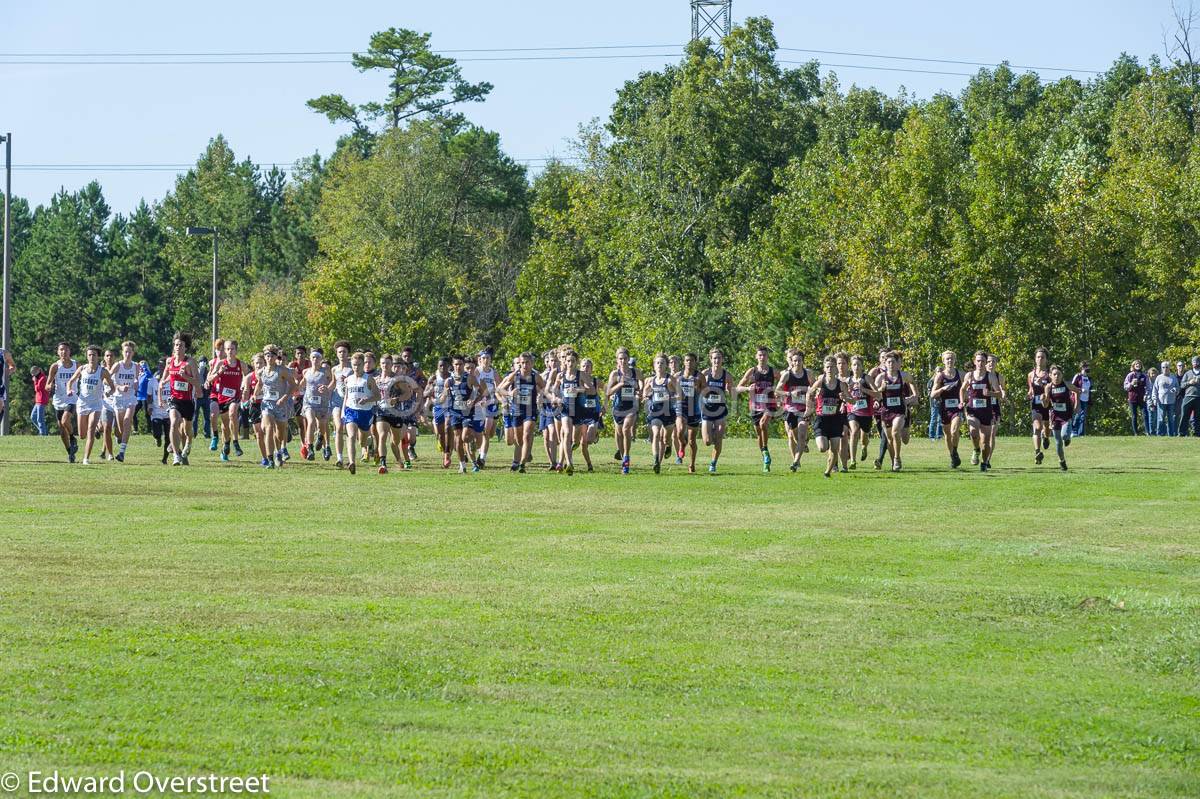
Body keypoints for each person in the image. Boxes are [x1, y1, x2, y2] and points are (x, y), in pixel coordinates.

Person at [64, 345, 115, 465]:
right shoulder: (82, 369)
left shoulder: (103, 372)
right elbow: (70, 381)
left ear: (98, 357)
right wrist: (69, 390)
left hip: (95, 404)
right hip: (82, 403)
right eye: (89, 355)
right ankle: (97, 428)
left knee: (90, 430)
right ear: (87, 356)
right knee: (82, 434)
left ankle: (86, 458)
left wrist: (108, 392)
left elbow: (112, 386)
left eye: (94, 355)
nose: (91, 357)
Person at [496, 353, 546, 473]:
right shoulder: (514, 376)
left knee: (527, 434)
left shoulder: (536, 376)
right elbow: (499, 389)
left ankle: (522, 464)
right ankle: (525, 453)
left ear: (531, 363)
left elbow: (546, 388)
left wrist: (542, 396)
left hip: (530, 410)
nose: (524, 365)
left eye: (527, 362)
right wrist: (509, 393)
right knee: (518, 440)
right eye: (522, 363)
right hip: (516, 410)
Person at [806, 355, 854, 477]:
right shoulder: (820, 382)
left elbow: (852, 401)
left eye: (832, 367)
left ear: (836, 369)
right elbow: (809, 393)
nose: (829, 369)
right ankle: (829, 460)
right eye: (827, 367)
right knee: (823, 447)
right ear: (824, 368)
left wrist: (846, 398)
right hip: (821, 419)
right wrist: (809, 407)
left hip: (835, 419)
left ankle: (827, 472)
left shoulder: (841, 385)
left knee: (834, 447)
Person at [874, 351, 918, 472]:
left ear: (897, 363)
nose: (891, 364)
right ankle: (894, 461)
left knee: (895, 432)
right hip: (886, 410)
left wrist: (915, 395)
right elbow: (875, 394)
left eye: (893, 361)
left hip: (899, 410)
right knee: (889, 439)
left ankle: (898, 458)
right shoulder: (881, 377)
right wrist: (880, 389)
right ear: (885, 363)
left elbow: (912, 382)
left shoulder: (903, 375)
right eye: (888, 362)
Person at [161, 332, 200, 466]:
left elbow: (197, 383)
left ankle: (188, 443)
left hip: (188, 401)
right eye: (176, 345)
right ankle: (176, 456)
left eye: (181, 345)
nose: (178, 347)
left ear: (185, 347)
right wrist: (162, 384)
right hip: (175, 399)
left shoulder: (190, 362)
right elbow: (165, 377)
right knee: (174, 422)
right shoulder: (169, 361)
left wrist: (186, 377)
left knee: (187, 430)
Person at [736, 346, 778, 472]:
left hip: (769, 404)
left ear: (767, 357)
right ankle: (765, 456)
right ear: (756, 357)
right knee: (759, 434)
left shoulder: (773, 371)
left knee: (763, 424)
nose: (762, 357)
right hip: (755, 406)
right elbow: (738, 387)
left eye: (764, 355)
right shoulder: (752, 371)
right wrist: (748, 389)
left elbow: (784, 381)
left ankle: (765, 452)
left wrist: (780, 393)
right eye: (760, 355)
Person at [440, 354, 483, 474]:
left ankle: (471, 439)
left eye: (460, 364)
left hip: (467, 413)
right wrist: (444, 394)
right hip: (454, 412)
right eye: (456, 364)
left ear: (463, 365)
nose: (458, 367)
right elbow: (442, 399)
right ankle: (462, 466)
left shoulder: (470, 378)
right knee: (458, 440)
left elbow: (481, 393)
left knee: (465, 437)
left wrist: (473, 401)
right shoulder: (449, 381)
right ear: (452, 366)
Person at [339, 351, 380, 476]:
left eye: (359, 365)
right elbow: (346, 396)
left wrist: (366, 400)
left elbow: (378, 396)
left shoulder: (369, 379)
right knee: (351, 436)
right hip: (351, 411)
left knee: (362, 441)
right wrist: (342, 411)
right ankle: (352, 462)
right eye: (354, 365)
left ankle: (369, 444)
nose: (356, 367)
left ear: (363, 365)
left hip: (366, 412)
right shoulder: (348, 380)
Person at [206, 339, 246, 462]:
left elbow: (248, 376)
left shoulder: (241, 364)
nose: (229, 351)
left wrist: (244, 387)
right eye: (227, 349)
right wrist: (219, 372)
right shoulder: (220, 364)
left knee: (233, 413)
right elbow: (210, 379)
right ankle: (226, 444)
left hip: (235, 396)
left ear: (236, 350)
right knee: (225, 426)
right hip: (222, 397)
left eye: (232, 349)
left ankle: (235, 442)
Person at [962, 351, 999, 472]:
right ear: (974, 362)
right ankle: (976, 449)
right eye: (978, 361)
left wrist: (990, 393)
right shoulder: (969, 376)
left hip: (986, 411)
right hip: (972, 410)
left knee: (985, 441)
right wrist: (962, 401)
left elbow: (999, 394)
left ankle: (984, 462)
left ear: (985, 362)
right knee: (973, 432)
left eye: (983, 361)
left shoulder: (990, 376)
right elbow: (962, 390)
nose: (980, 363)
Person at [642, 353, 678, 475]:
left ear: (666, 365)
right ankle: (656, 460)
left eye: (662, 363)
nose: (659, 365)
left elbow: (681, 394)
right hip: (655, 411)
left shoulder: (670, 379)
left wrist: (672, 395)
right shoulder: (650, 380)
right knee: (656, 434)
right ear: (654, 365)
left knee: (665, 438)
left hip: (668, 412)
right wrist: (646, 397)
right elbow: (645, 393)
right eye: (657, 363)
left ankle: (669, 446)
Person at [606, 347, 641, 475]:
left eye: (625, 358)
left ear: (628, 359)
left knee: (626, 430)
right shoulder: (615, 374)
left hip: (631, 407)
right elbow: (608, 392)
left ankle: (626, 458)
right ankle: (622, 455)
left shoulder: (636, 372)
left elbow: (640, 387)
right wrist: (620, 384)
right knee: (619, 433)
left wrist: (639, 392)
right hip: (618, 407)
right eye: (620, 359)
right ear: (617, 360)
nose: (623, 361)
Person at [776, 349, 811, 472]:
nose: (797, 363)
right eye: (795, 360)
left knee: (801, 435)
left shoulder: (808, 374)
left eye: (799, 360)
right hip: (790, 409)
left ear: (802, 361)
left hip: (804, 409)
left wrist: (809, 392)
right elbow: (777, 390)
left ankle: (796, 462)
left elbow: (815, 388)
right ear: (792, 361)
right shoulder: (787, 374)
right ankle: (801, 449)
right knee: (792, 435)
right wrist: (790, 393)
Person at [929, 350, 964, 468]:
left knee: (954, 431)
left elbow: (967, 389)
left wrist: (965, 399)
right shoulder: (940, 376)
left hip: (957, 408)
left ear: (955, 360)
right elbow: (932, 394)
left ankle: (954, 451)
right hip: (944, 409)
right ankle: (953, 456)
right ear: (943, 361)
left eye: (951, 358)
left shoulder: (961, 374)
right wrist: (943, 389)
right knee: (948, 435)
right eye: (947, 359)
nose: (950, 361)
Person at [700, 348, 732, 474]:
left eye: (719, 358)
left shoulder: (727, 375)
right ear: (710, 359)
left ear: (722, 359)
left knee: (719, 438)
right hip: (707, 409)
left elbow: (730, 390)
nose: (717, 360)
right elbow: (699, 389)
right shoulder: (705, 374)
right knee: (707, 442)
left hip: (720, 409)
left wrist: (732, 391)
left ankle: (713, 463)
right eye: (714, 358)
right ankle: (712, 433)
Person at [46, 342, 79, 462]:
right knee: (61, 429)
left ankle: (72, 437)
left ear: (70, 351)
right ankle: (70, 452)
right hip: (59, 399)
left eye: (65, 350)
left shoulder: (76, 365)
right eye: (61, 350)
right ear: (58, 352)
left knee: (65, 420)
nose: (63, 352)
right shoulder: (55, 366)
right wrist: (49, 386)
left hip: (71, 397)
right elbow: (47, 383)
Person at [109, 341, 141, 462]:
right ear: (122, 352)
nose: (127, 354)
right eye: (125, 351)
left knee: (128, 421)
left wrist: (137, 383)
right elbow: (108, 379)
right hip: (118, 398)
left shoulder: (136, 366)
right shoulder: (118, 365)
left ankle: (122, 452)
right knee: (121, 428)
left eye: (130, 352)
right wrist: (119, 387)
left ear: (133, 353)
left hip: (130, 398)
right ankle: (119, 437)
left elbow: (137, 379)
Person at [1044, 365, 1079, 471]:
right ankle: (1062, 461)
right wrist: (1043, 400)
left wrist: (1076, 404)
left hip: (1066, 416)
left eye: (1059, 374)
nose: (1057, 376)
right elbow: (1046, 405)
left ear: (1062, 375)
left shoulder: (1067, 384)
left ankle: (1067, 438)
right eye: (1054, 374)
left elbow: (1077, 391)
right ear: (1050, 375)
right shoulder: (1048, 387)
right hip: (1055, 416)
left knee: (1064, 436)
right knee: (1058, 442)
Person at [301, 349, 333, 462]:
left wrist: (327, 388)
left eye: (318, 357)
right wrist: (296, 388)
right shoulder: (306, 371)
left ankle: (320, 436)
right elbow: (302, 383)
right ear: (310, 359)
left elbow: (333, 383)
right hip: (308, 402)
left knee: (322, 424)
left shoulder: (326, 371)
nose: (315, 359)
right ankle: (310, 448)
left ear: (321, 359)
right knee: (310, 421)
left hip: (322, 402)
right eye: (313, 357)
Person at [674, 353, 703, 474]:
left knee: (692, 440)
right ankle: (681, 443)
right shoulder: (677, 376)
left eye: (691, 360)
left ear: (695, 362)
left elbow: (706, 390)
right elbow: (671, 389)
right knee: (680, 430)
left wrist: (698, 388)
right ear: (684, 362)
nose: (689, 363)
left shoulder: (699, 376)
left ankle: (692, 464)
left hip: (694, 409)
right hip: (681, 406)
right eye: (687, 360)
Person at [1027, 347, 1053, 464]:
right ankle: (1037, 452)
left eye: (1042, 357)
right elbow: (1030, 389)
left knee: (1046, 428)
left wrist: (1046, 393)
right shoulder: (1031, 375)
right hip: (1035, 405)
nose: (1040, 359)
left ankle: (1046, 437)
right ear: (1035, 359)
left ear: (1046, 359)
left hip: (1047, 405)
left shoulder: (1050, 375)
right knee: (1037, 428)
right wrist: (1029, 393)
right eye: (1038, 357)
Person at [1124, 359, 1149, 436]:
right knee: (1134, 416)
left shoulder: (1144, 375)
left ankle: (1148, 432)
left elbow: (1148, 387)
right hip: (1132, 398)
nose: (1138, 366)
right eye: (1136, 364)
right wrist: (1131, 383)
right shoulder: (1130, 375)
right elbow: (1125, 387)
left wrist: (1146, 395)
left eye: (1139, 364)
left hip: (1142, 398)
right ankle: (1136, 433)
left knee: (1145, 414)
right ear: (1133, 366)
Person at [1155, 361, 1179, 437]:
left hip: (1171, 401)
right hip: (1161, 401)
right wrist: (1154, 399)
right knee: (1160, 419)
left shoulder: (1173, 377)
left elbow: (1178, 388)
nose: (1165, 369)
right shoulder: (1158, 377)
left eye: (1167, 367)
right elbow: (1155, 389)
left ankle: (1171, 435)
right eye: (1163, 367)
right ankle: (1160, 434)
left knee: (1171, 419)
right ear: (1161, 368)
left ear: (1169, 368)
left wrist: (1175, 389)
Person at [1070, 361, 1091, 437]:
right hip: (1078, 398)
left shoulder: (1088, 378)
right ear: (1082, 367)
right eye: (1086, 367)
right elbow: (1072, 386)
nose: (1088, 368)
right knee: (1078, 415)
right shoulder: (1078, 376)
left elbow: (1089, 387)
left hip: (1086, 399)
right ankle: (1074, 431)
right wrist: (1081, 390)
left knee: (1083, 416)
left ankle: (1081, 433)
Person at [1180, 357, 1200, 437]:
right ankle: (1182, 433)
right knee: (1184, 416)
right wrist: (1189, 382)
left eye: (1197, 361)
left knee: (1198, 418)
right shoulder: (1187, 373)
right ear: (1192, 363)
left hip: (1198, 398)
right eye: (1194, 362)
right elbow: (1182, 385)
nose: (1195, 363)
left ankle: (1197, 434)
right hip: (1188, 397)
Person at [30, 365, 49, 435]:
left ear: (37, 371)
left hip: (42, 400)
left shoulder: (43, 378)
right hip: (38, 400)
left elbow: (37, 389)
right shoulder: (38, 378)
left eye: (33, 373)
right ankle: (43, 431)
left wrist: (35, 381)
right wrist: (36, 380)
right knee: (33, 417)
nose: (33, 375)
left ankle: (43, 434)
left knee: (40, 419)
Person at [134, 360, 152, 434]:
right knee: (133, 413)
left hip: (145, 397)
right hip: (138, 397)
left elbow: (150, 378)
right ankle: (135, 430)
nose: (141, 366)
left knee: (147, 414)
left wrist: (146, 368)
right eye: (140, 365)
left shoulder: (147, 374)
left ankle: (149, 430)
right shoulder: (138, 375)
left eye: (143, 365)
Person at [926, 369, 943, 442]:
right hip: (934, 402)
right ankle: (931, 436)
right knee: (934, 418)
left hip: (941, 402)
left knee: (940, 419)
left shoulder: (942, 380)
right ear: (935, 372)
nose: (939, 373)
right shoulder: (931, 381)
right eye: (938, 371)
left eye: (941, 371)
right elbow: (930, 393)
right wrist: (936, 396)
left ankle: (939, 435)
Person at [0, 344, 14, 429]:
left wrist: (10, 370)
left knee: (0, 405)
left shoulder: (3, 352)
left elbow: (12, 365)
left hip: (0, 386)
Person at [1146, 366, 1160, 436]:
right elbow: (1147, 393)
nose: (1153, 375)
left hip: (1158, 402)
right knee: (1151, 418)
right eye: (1152, 373)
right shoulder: (1147, 382)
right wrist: (1150, 403)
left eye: (1155, 373)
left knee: (1158, 418)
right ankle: (1152, 432)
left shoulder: (1158, 380)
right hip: (1150, 402)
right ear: (1149, 374)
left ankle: (1158, 432)